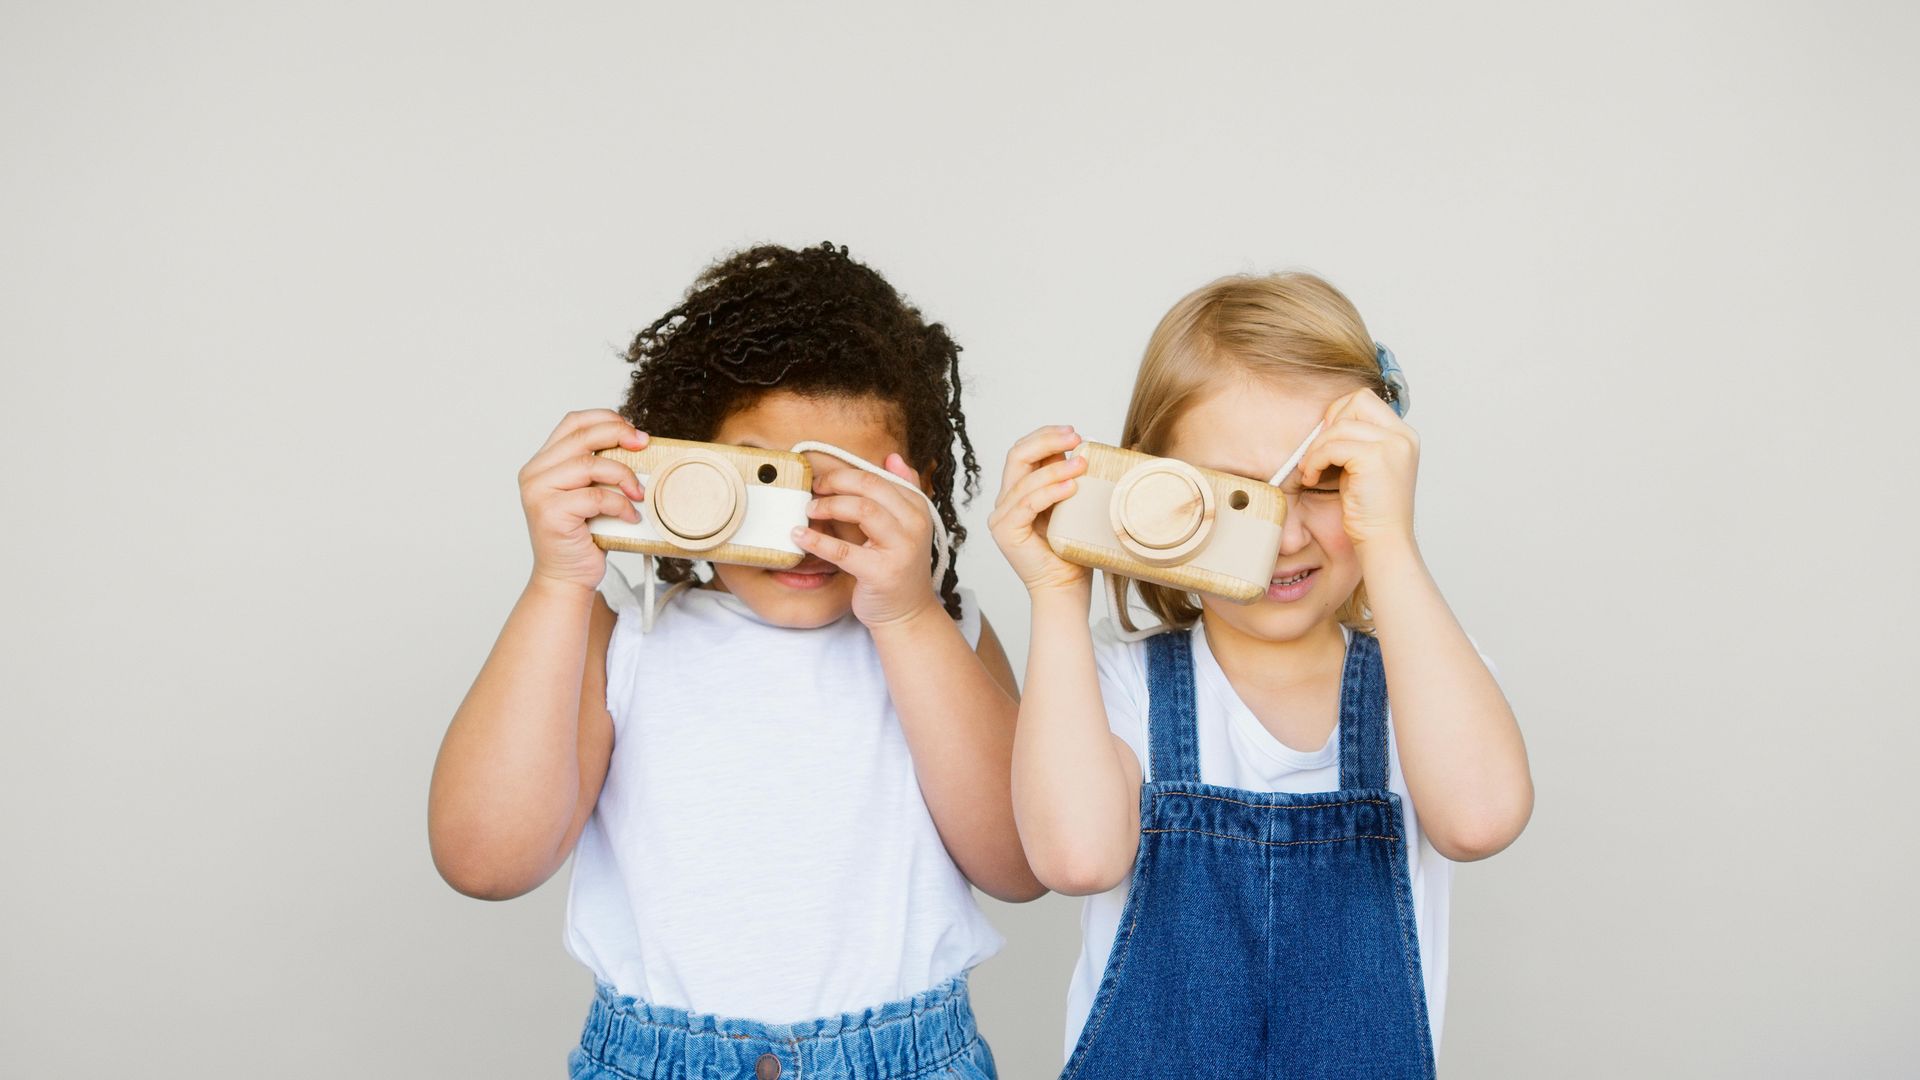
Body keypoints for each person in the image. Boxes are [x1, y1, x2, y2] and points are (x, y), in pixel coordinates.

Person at [430, 242, 1039, 1080]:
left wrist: (906, 615)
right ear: (682, 467)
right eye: (763, 479)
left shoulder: (946, 634)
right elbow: (485, 861)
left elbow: (1021, 863)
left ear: (920, 488)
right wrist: (557, 583)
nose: (804, 530)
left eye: (849, 487)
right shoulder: (625, 643)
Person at [990, 271, 1533, 1078]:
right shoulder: (1112, 686)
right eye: (1235, 496)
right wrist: (1057, 595)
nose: (1284, 537)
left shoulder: (1428, 684)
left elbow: (1480, 820)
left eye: (1326, 484)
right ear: (1150, 493)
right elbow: (1076, 861)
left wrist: (1389, 539)